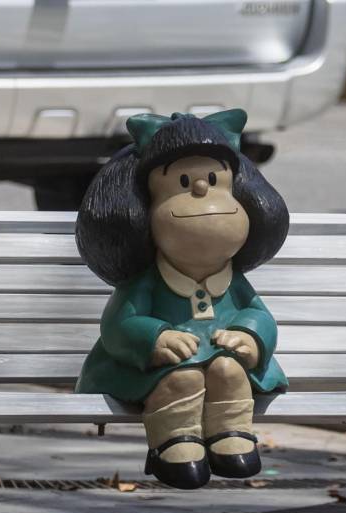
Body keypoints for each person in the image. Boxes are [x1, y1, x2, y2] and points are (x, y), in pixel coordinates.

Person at [74, 109, 290, 490]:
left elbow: (259, 314)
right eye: (185, 182)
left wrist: (250, 335)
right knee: (182, 378)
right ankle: (174, 441)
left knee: (229, 372)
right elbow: (118, 326)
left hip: (225, 357)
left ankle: (231, 434)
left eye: (213, 179)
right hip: (156, 368)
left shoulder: (233, 281)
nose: (203, 191)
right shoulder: (147, 282)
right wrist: (154, 337)